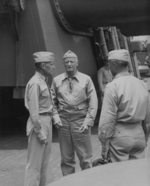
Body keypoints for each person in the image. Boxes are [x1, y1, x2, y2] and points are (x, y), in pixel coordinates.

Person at [51, 50, 98, 176]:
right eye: (66, 62)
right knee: (66, 158)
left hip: (80, 121)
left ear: (77, 63)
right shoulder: (56, 80)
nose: (69, 64)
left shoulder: (86, 79)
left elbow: (93, 102)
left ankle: (87, 182)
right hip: (63, 121)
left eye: (72, 61)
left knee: (86, 158)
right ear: (63, 63)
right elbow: (52, 101)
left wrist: (88, 121)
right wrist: (55, 117)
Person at [98, 49, 150, 162]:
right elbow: (148, 117)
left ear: (114, 64)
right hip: (139, 133)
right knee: (137, 173)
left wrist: (104, 144)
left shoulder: (112, 86)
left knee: (121, 175)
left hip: (120, 135)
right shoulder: (142, 84)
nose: (109, 68)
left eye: (110, 64)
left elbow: (107, 120)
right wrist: (145, 137)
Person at [24, 51, 55, 186]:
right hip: (39, 123)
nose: (53, 67)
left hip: (46, 122)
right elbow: (34, 112)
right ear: (43, 65)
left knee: (44, 164)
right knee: (34, 166)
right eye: (51, 64)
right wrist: (40, 132)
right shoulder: (35, 83)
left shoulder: (42, 81)